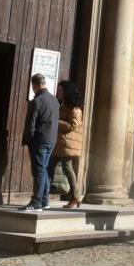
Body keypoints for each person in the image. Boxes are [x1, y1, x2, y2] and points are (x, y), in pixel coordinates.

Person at [21, 73, 59, 211]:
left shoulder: (36, 101)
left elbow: (30, 125)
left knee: (39, 172)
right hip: (51, 140)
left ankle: (36, 202)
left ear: (34, 86)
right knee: (43, 170)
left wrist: (29, 140)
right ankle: (44, 200)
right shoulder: (55, 100)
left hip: (39, 141)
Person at [49, 80, 84, 208]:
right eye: (58, 90)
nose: (58, 92)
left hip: (67, 144)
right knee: (49, 168)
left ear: (67, 92)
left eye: (61, 90)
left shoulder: (75, 109)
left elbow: (72, 125)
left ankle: (75, 197)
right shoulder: (62, 105)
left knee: (67, 168)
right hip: (60, 144)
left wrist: (56, 121)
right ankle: (42, 195)